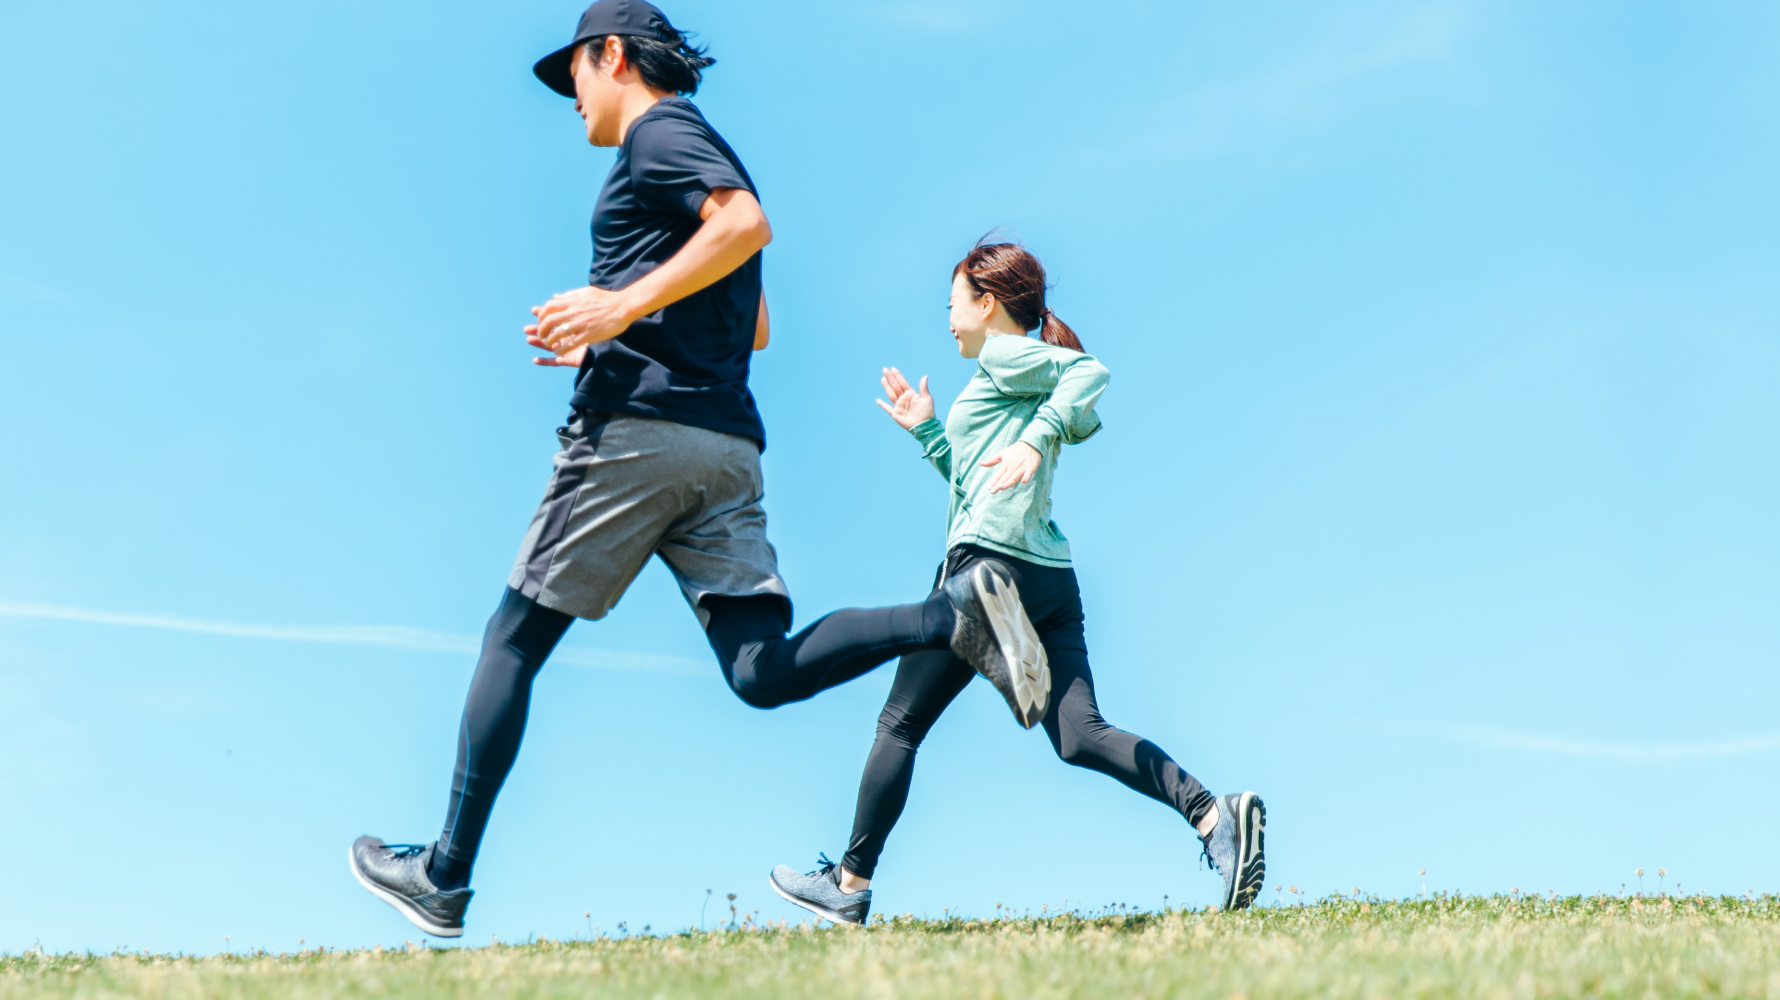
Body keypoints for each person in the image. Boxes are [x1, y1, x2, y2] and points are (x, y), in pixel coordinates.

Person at [346, 1, 1055, 939]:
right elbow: (751, 322)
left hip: (634, 437)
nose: (572, 102)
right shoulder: (700, 152)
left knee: (513, 638)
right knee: (760, 671)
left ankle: (444, 873)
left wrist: (614, 313)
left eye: (576, 78)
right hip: (724, 447)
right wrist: (627, 323)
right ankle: (950, 614)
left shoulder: (659, 136)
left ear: (613, 56)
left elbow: (746, 224)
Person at [763, 239, 1268, 928]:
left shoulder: (1008, 357)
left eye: (952, 304)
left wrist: (1036, 440)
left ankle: (848, 884)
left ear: (987, 302)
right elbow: (980, 486)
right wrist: (930, 435)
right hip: (1048, 576)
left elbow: (1090, 373)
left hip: (986, 571)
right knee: (1078, 733)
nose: (947, 319)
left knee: (900, 723)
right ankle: (1214, 816)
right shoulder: (1009, 379)